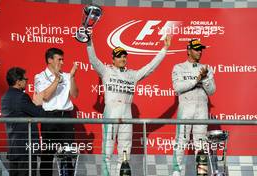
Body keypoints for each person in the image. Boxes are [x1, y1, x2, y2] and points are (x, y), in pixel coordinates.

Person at [86, 35, 171, 176]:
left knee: (125, 151)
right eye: (119, 56)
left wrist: (164, 49)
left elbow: (150, 68)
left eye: (124, 56)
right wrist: (89, 41)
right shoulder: (106, 71)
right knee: (107, 150)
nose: (122, 59)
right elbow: (93, 60)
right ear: (113, 59)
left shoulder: (133, 75)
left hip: (126, 112)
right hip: (111, 112)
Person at [172, 39, 216, 176]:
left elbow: (212, 91)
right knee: (181, 140)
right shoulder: (178, 67)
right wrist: (197, 79)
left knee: (201, 141)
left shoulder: (207, 68)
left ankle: (201, 172)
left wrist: (205, 79)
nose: (199, 51)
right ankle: (176, 171)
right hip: (185, 108)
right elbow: (177, 87)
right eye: (196, 49)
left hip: (202, 108)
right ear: (189, 50)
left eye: (200, 49)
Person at [34, 48, 79, 175]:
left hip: (66, 119)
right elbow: (46, 96)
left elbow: (75, 95)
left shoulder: (66, 76)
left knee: (68, 154)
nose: (62, 62)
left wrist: (72, 77)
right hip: (50, 118)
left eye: (62, 59)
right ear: (50, 60)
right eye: (59, 59)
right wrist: (56, 80)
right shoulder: (39, 76)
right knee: (48, 155)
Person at [1, 67, 45, 176]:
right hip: (26, 149)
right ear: (18, 82)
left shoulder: (5, 97)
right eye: (26, 79)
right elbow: (40, 114)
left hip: (14, 147)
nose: (27, 81)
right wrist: (39, 103)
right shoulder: (22, 97)